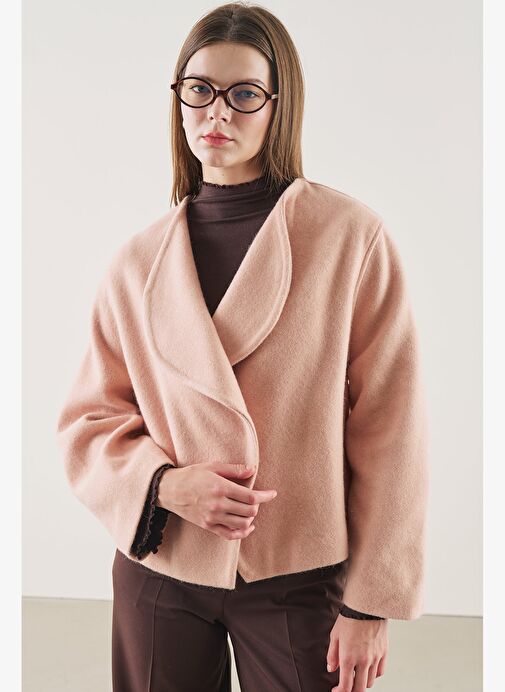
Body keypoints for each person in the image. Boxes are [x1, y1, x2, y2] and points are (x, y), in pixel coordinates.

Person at [55, 2, 429, 691]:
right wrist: (165, 486)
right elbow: (89, 421)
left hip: (298, 571)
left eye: (244, 94)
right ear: (177, 100)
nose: (217, 113)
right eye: (198, 90)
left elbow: (390, 426)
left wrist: (370, 602)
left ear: (279, 105)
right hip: (161, 566)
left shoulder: (349, 238)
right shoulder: (137, 261)